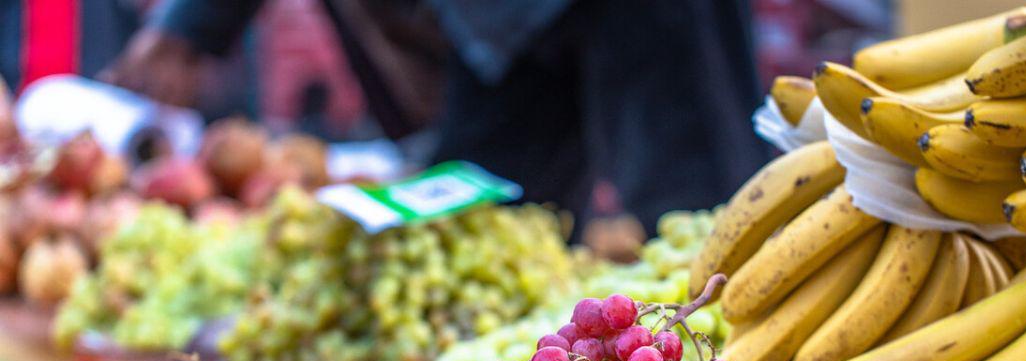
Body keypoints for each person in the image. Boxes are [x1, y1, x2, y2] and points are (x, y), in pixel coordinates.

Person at [105, 0, 769, 232]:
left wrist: (196, 23)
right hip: (498, 23)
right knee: (475, 227)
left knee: (704, 216)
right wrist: (197, 22)